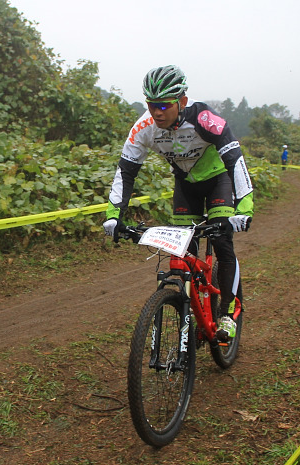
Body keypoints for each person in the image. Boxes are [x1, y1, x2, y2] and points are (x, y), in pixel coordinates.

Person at [102, 65, 253, 336]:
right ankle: (192, 309)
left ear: (182, 101)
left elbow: (235, 160)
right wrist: (115, 214)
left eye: (164, 105)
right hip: (185, 185)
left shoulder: (204, 119)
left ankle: (228, 313)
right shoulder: (144, 128)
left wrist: (243, 207)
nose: (157, 112)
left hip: (219, 180)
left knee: (221, 240)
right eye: (151, 104)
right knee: (184, 250)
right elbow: (125, 171)